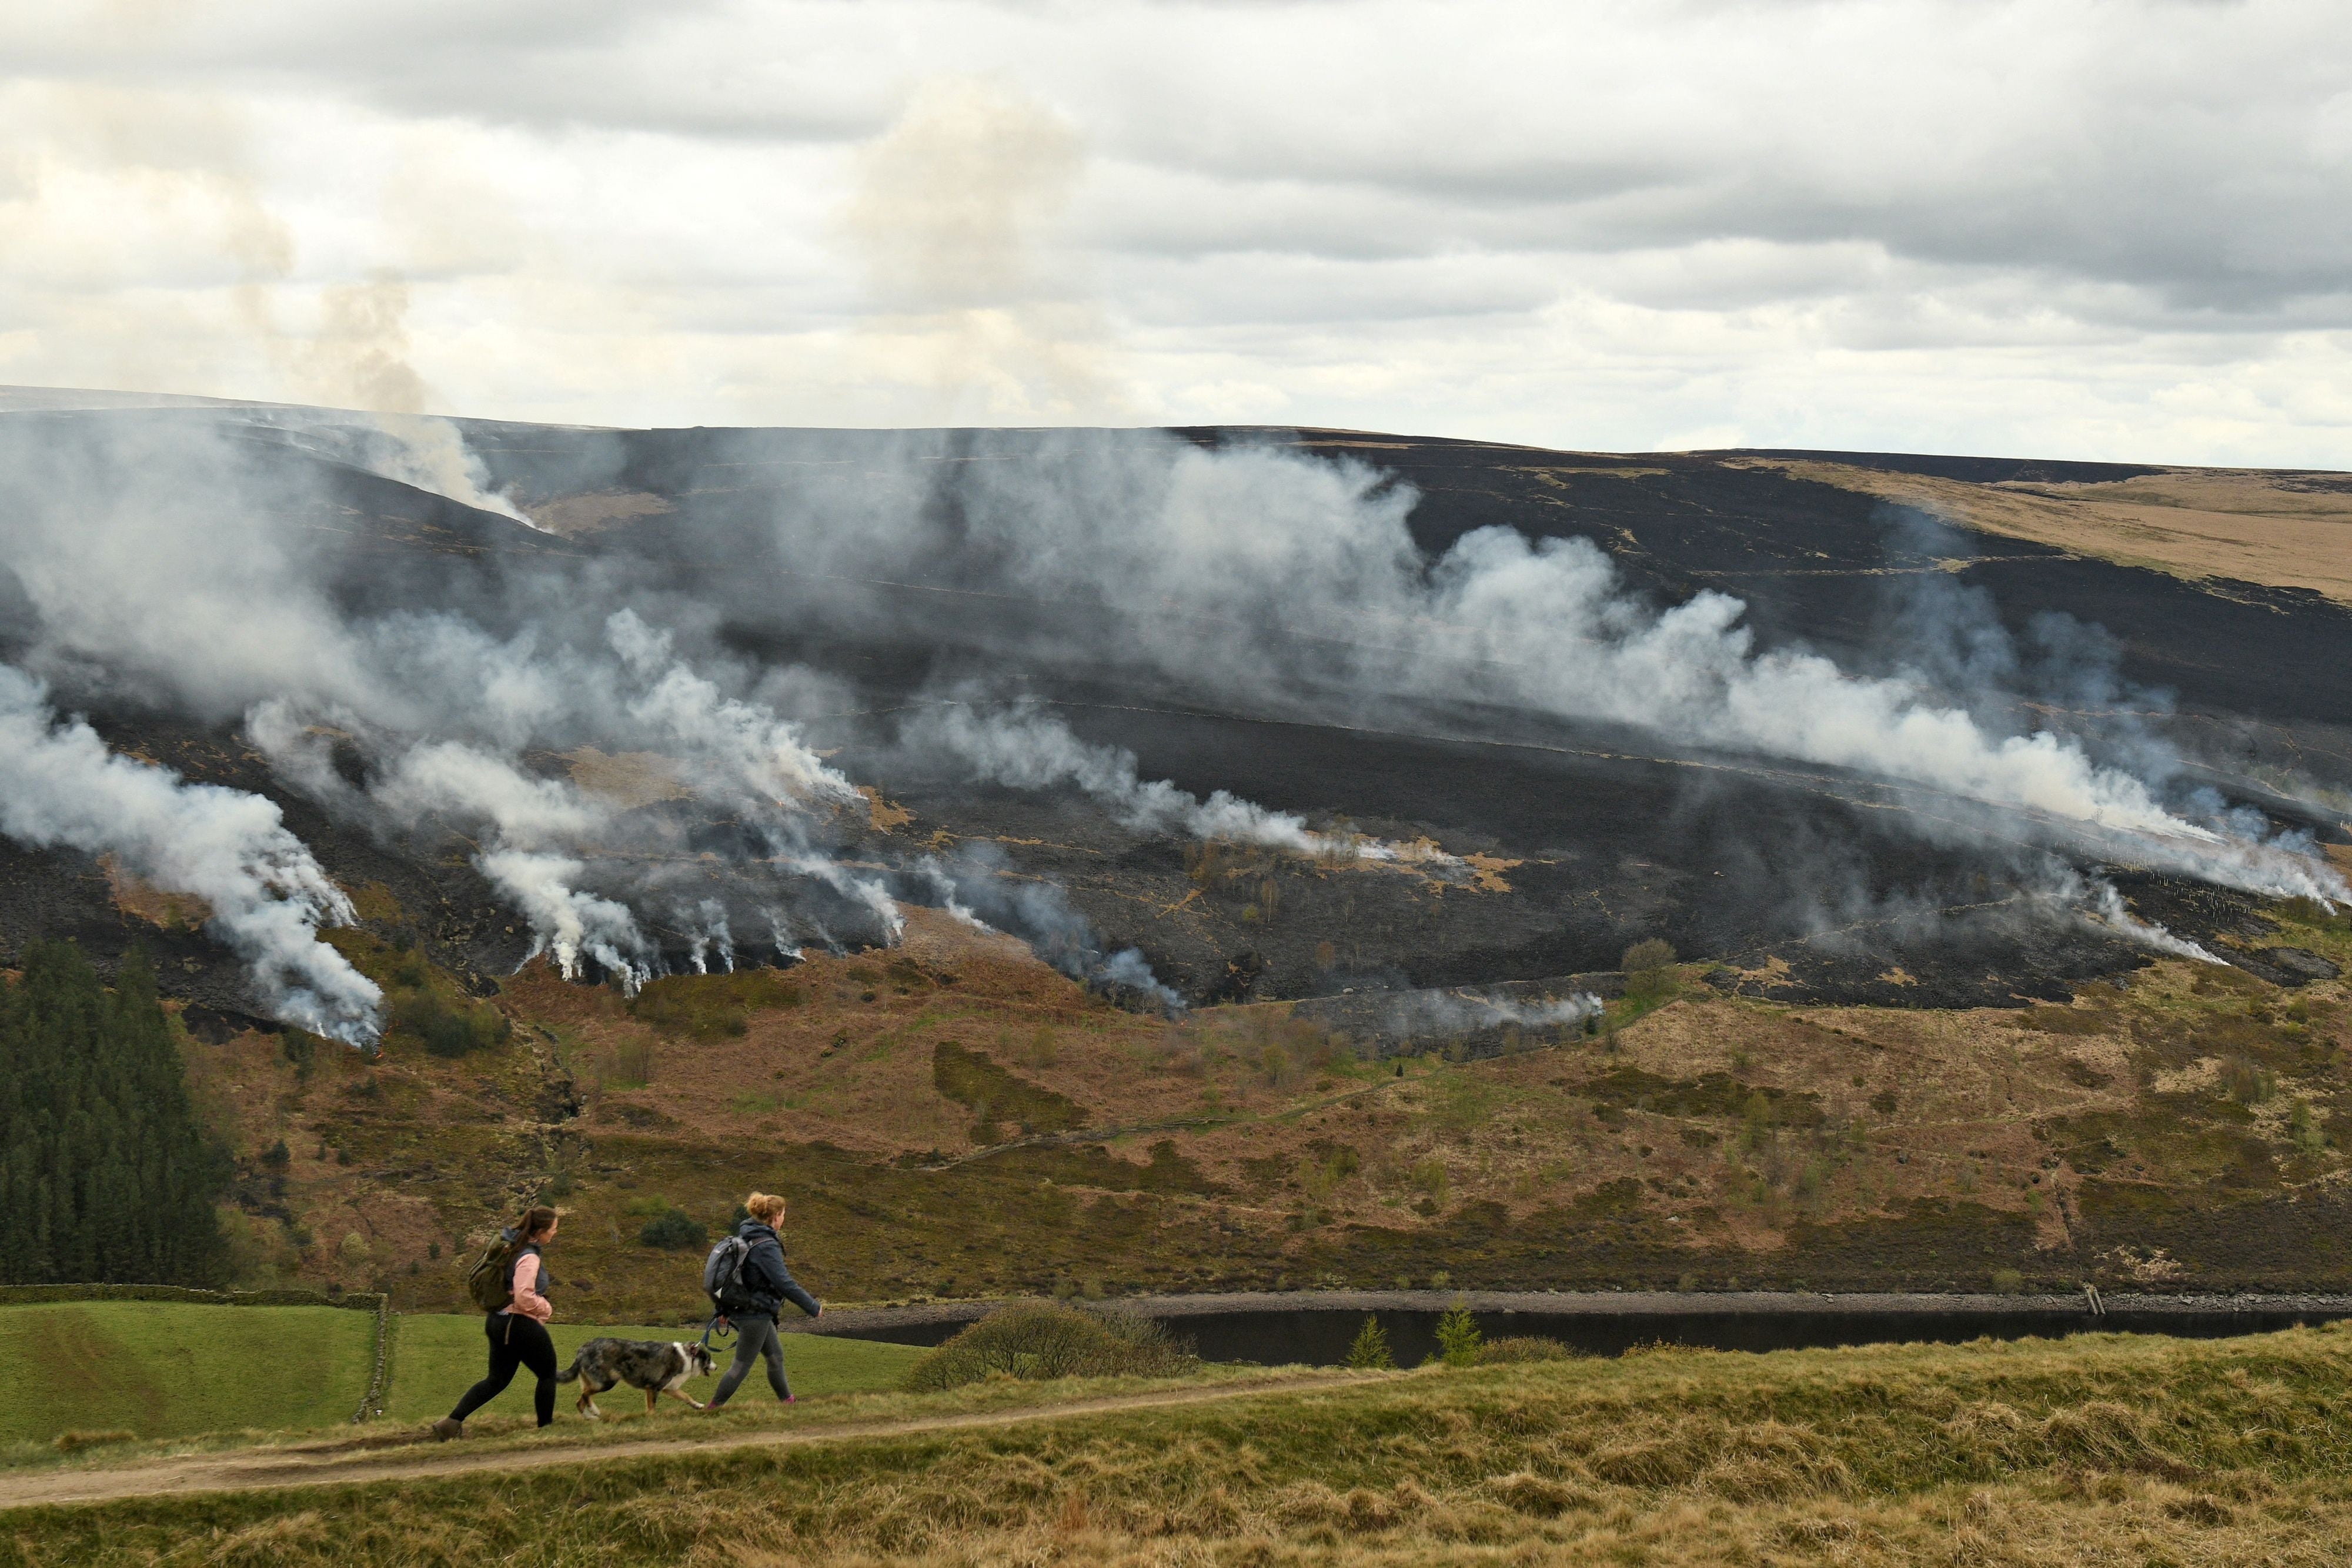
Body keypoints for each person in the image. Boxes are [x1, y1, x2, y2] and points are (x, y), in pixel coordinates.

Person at [433, 1206, 560, 1439]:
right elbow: (524, 1297)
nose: (555, 1233)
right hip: (518, 1324)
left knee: (497, 1379)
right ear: (541, 1231)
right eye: (553, 1229)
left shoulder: (508, 1244)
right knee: (547, 1373)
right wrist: (546, 1308)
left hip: (497, 1321)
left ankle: (450, 1424)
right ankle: (546, 1430)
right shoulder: (529, 1257)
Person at [706, 1191, 821, 1408]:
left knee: (775, 1357)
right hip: (754, 1314)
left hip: (756, 1311)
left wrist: (722, 1310)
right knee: (740, 1366)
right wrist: (813, 1307)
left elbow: (737, 1276)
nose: (784, 1219)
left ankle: (788, 1403)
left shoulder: (747, 1236)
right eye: (784, 1214)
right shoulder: (766, 1245)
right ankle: (712, 1409)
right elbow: (784, 1283)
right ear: (776, 1216)